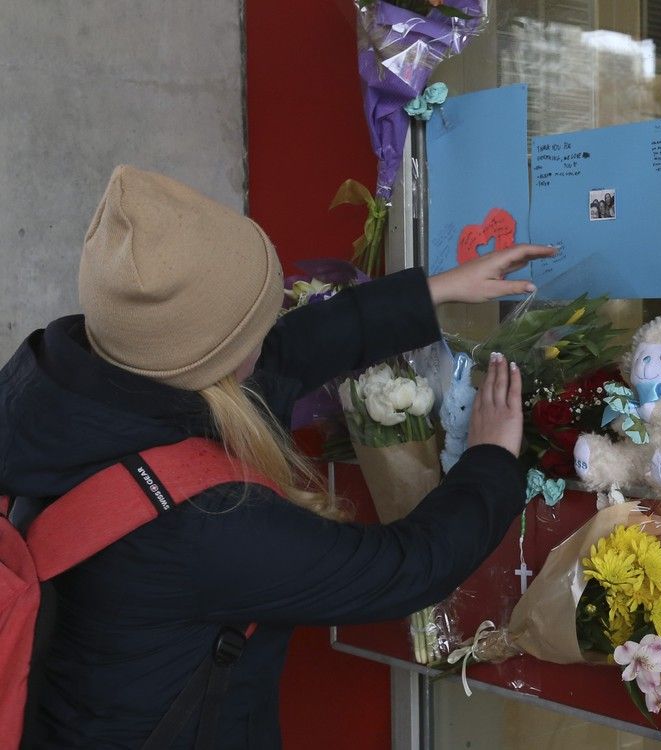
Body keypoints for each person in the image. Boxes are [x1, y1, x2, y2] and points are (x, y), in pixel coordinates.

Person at [0, 165, 555, 749]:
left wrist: (433, 292)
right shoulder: (203, 525)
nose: (269, 334)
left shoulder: (73, 393)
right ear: (210, 359)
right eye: (254, 327)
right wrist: (491, 457)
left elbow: (281, 353)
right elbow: (405, 568)